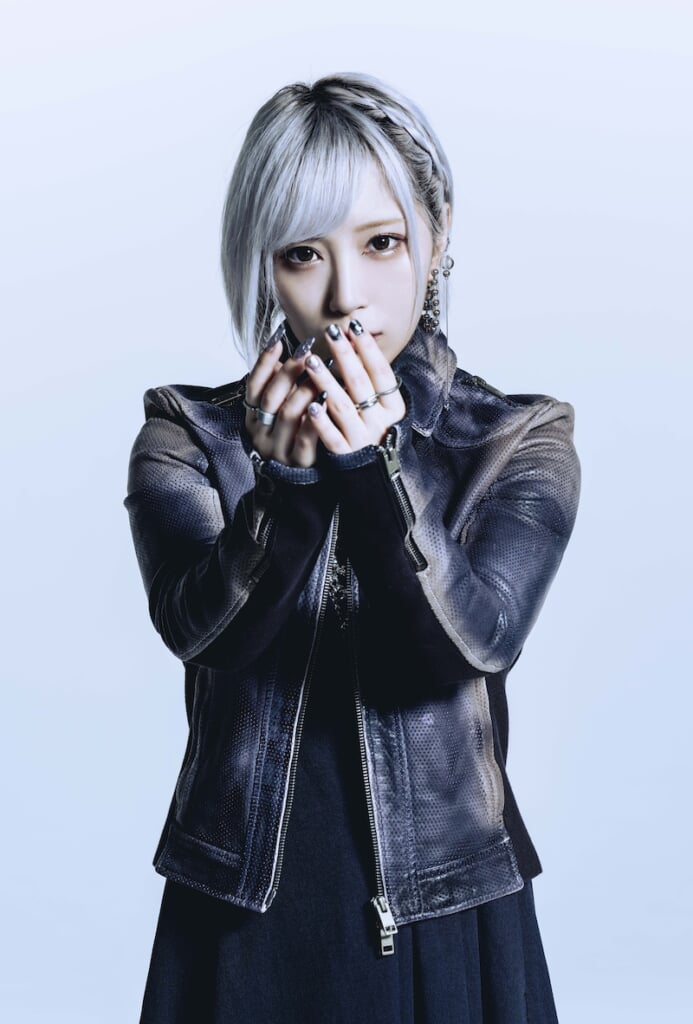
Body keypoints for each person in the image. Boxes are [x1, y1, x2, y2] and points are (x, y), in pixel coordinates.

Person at [124, 71, 581, 1023]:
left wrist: (376, 473)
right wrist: (283, 494)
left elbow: (468, 647)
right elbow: (203, 637)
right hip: (240, 900)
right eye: (303, 254)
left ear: (436, 237)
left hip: (444, 898)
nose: (345, 296)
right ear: (264, 265)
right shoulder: (187, 435)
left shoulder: (517, 440)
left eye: (381, 243)